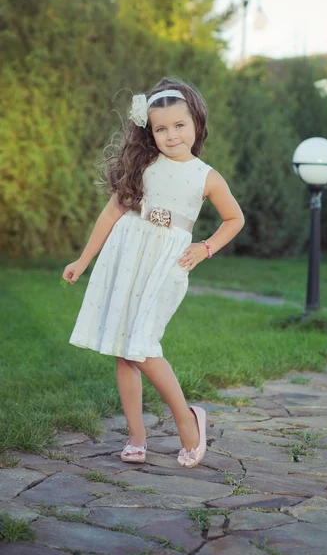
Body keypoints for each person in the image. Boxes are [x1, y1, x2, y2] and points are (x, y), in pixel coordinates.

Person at [62, 77, 245, 469]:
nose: (171, 135)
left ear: (196, 123)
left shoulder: (206, 176)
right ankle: (136, 436)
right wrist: (82, 260)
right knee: (124, 347)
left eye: (179, 125)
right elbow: (111, 213)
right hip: (127, 253)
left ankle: (188, 421)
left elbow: (234, 219)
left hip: (168, 262)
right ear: (150, 131)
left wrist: (205, 246)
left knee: (142, 345)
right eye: (161, 128)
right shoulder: (143, 165)